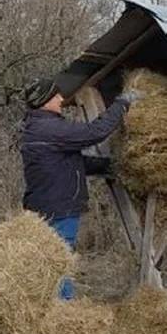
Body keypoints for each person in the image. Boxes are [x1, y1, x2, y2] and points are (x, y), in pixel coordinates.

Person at [20, 77, 140, 299]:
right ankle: (63, 308)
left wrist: (112, 166)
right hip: (59, 207)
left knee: (52, 259)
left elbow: (67, 163)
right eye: (56, 95)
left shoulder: (36, 128)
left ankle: (57, 306)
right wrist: (122, 103)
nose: (61, 99)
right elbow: (94, 132)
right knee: (61, 259)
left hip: (45, 202)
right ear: (45, 100)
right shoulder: (49, 127)